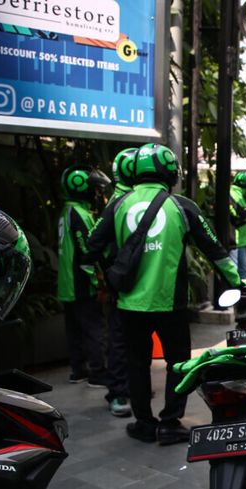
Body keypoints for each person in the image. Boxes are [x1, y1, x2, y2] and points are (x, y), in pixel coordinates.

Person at [85, 143, 241, 445]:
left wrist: (115, 271)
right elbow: (215, 251)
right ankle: (170, 423)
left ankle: (144, 423)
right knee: (178, 364)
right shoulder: (181, 206)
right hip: (171, 306)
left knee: (136, 364)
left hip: (129, 304)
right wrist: (238, 283)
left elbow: (91, 246)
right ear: (170, 172)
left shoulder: (119, 205)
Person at [57, 164, 110, 388]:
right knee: (93, 328)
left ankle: (78, 370)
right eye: (94, 189)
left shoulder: (67, 211)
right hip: (80, 283)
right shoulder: (78, 214)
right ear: (81, 188)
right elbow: (86, 252)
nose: (97, 193)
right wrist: (98, 281)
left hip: (67, 284)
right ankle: (97, 373)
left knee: (75, 329)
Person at [97, 148, 137, 417]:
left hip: (128, 286)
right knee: (121, 340)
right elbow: (93, 242)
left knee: (129, 341)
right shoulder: (120, 202)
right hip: (122, 286)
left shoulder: (125, 199)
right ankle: (118, 392)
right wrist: (108, 276)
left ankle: (129, 388)